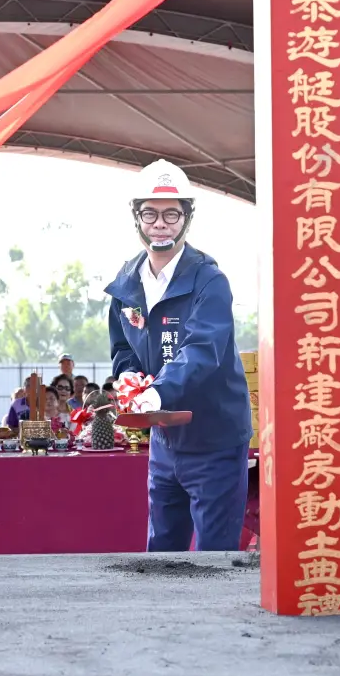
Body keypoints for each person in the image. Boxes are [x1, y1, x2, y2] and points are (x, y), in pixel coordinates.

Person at [105, 159, 251, 552]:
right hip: (165, 441)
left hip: (214, 440)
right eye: (149, 214)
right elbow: (123, 348)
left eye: (172, 214)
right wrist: (127, 380)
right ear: (136, 217)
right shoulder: (127, 282)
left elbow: (203, 350)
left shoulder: (209, 280)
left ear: (187, 218)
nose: (160, 224)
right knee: (162, 552)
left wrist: (156, 393)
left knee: (213, 556)